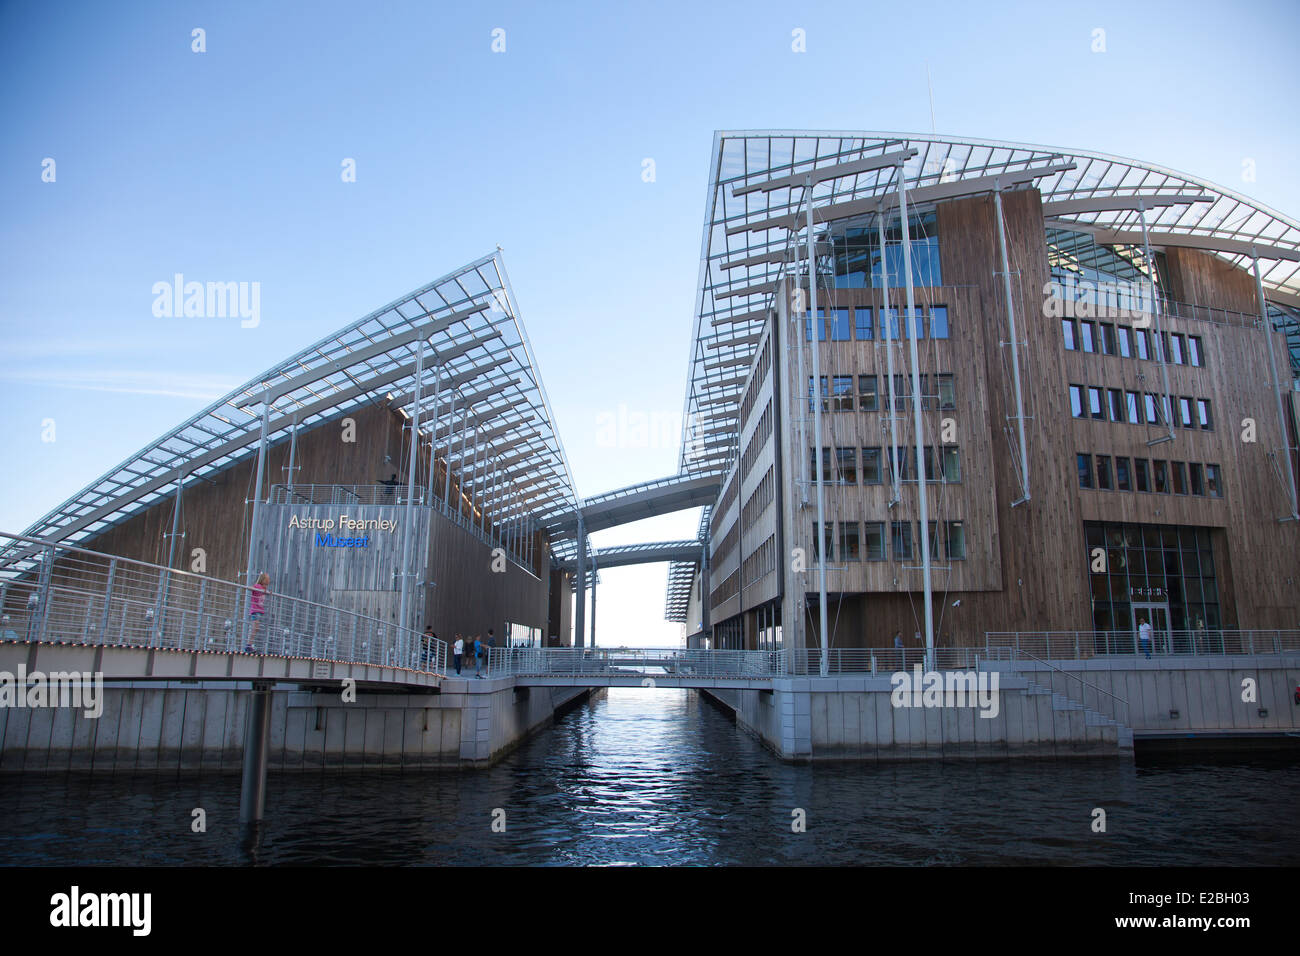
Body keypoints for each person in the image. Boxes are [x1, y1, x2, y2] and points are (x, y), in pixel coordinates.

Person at [246, 572, 270, 653]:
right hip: (255, 610)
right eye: (267, 578)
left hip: (259, 611)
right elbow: (251, 588)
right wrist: (254, 588)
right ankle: (249, 645)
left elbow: (267, 592)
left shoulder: (264, 588)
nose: (268, 580)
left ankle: (250, 645)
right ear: (263, 579)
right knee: (255, 628)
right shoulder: (258, 586)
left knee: (256, 628)